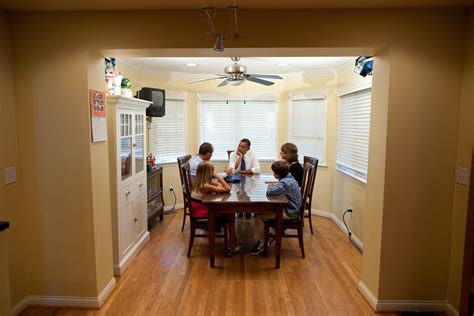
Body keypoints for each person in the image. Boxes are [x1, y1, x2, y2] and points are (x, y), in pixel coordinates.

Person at [191, 161, 246, 254]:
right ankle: (233, 244)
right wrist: (219, 178)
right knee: (230, 215)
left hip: (201, 207)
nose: (214, 172)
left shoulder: (201, 181)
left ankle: (233, 241)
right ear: (208, 173)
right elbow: (227, 189)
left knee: (229, 213)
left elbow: (221, 188)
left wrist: (218, 185)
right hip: (202, 211)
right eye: (213, 171)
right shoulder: (206, 185)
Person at [250, 160, 302, 256]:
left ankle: (263, 243)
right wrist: (277, 185)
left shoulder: (285, 184)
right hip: (293, 208)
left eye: (274, 172)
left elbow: (269, 192)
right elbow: (281, 186)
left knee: (258, 217)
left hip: (290, 212)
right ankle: (265, 236)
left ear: (277, 175)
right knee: (261, 212)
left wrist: (271, 186)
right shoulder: (290, 178)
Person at [228, 138, 260, 218]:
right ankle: (240, 209)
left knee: (247, 192)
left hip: (249, 180)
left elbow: (257, 169)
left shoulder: (252, 154)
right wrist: (240, 157)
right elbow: (232, 170)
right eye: (239, 145)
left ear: (248, 149)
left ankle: (247, 209)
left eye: (243, 147)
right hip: (236, 181)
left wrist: (244, 172)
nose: (239, 148)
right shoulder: (233, 154)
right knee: (238, 193)